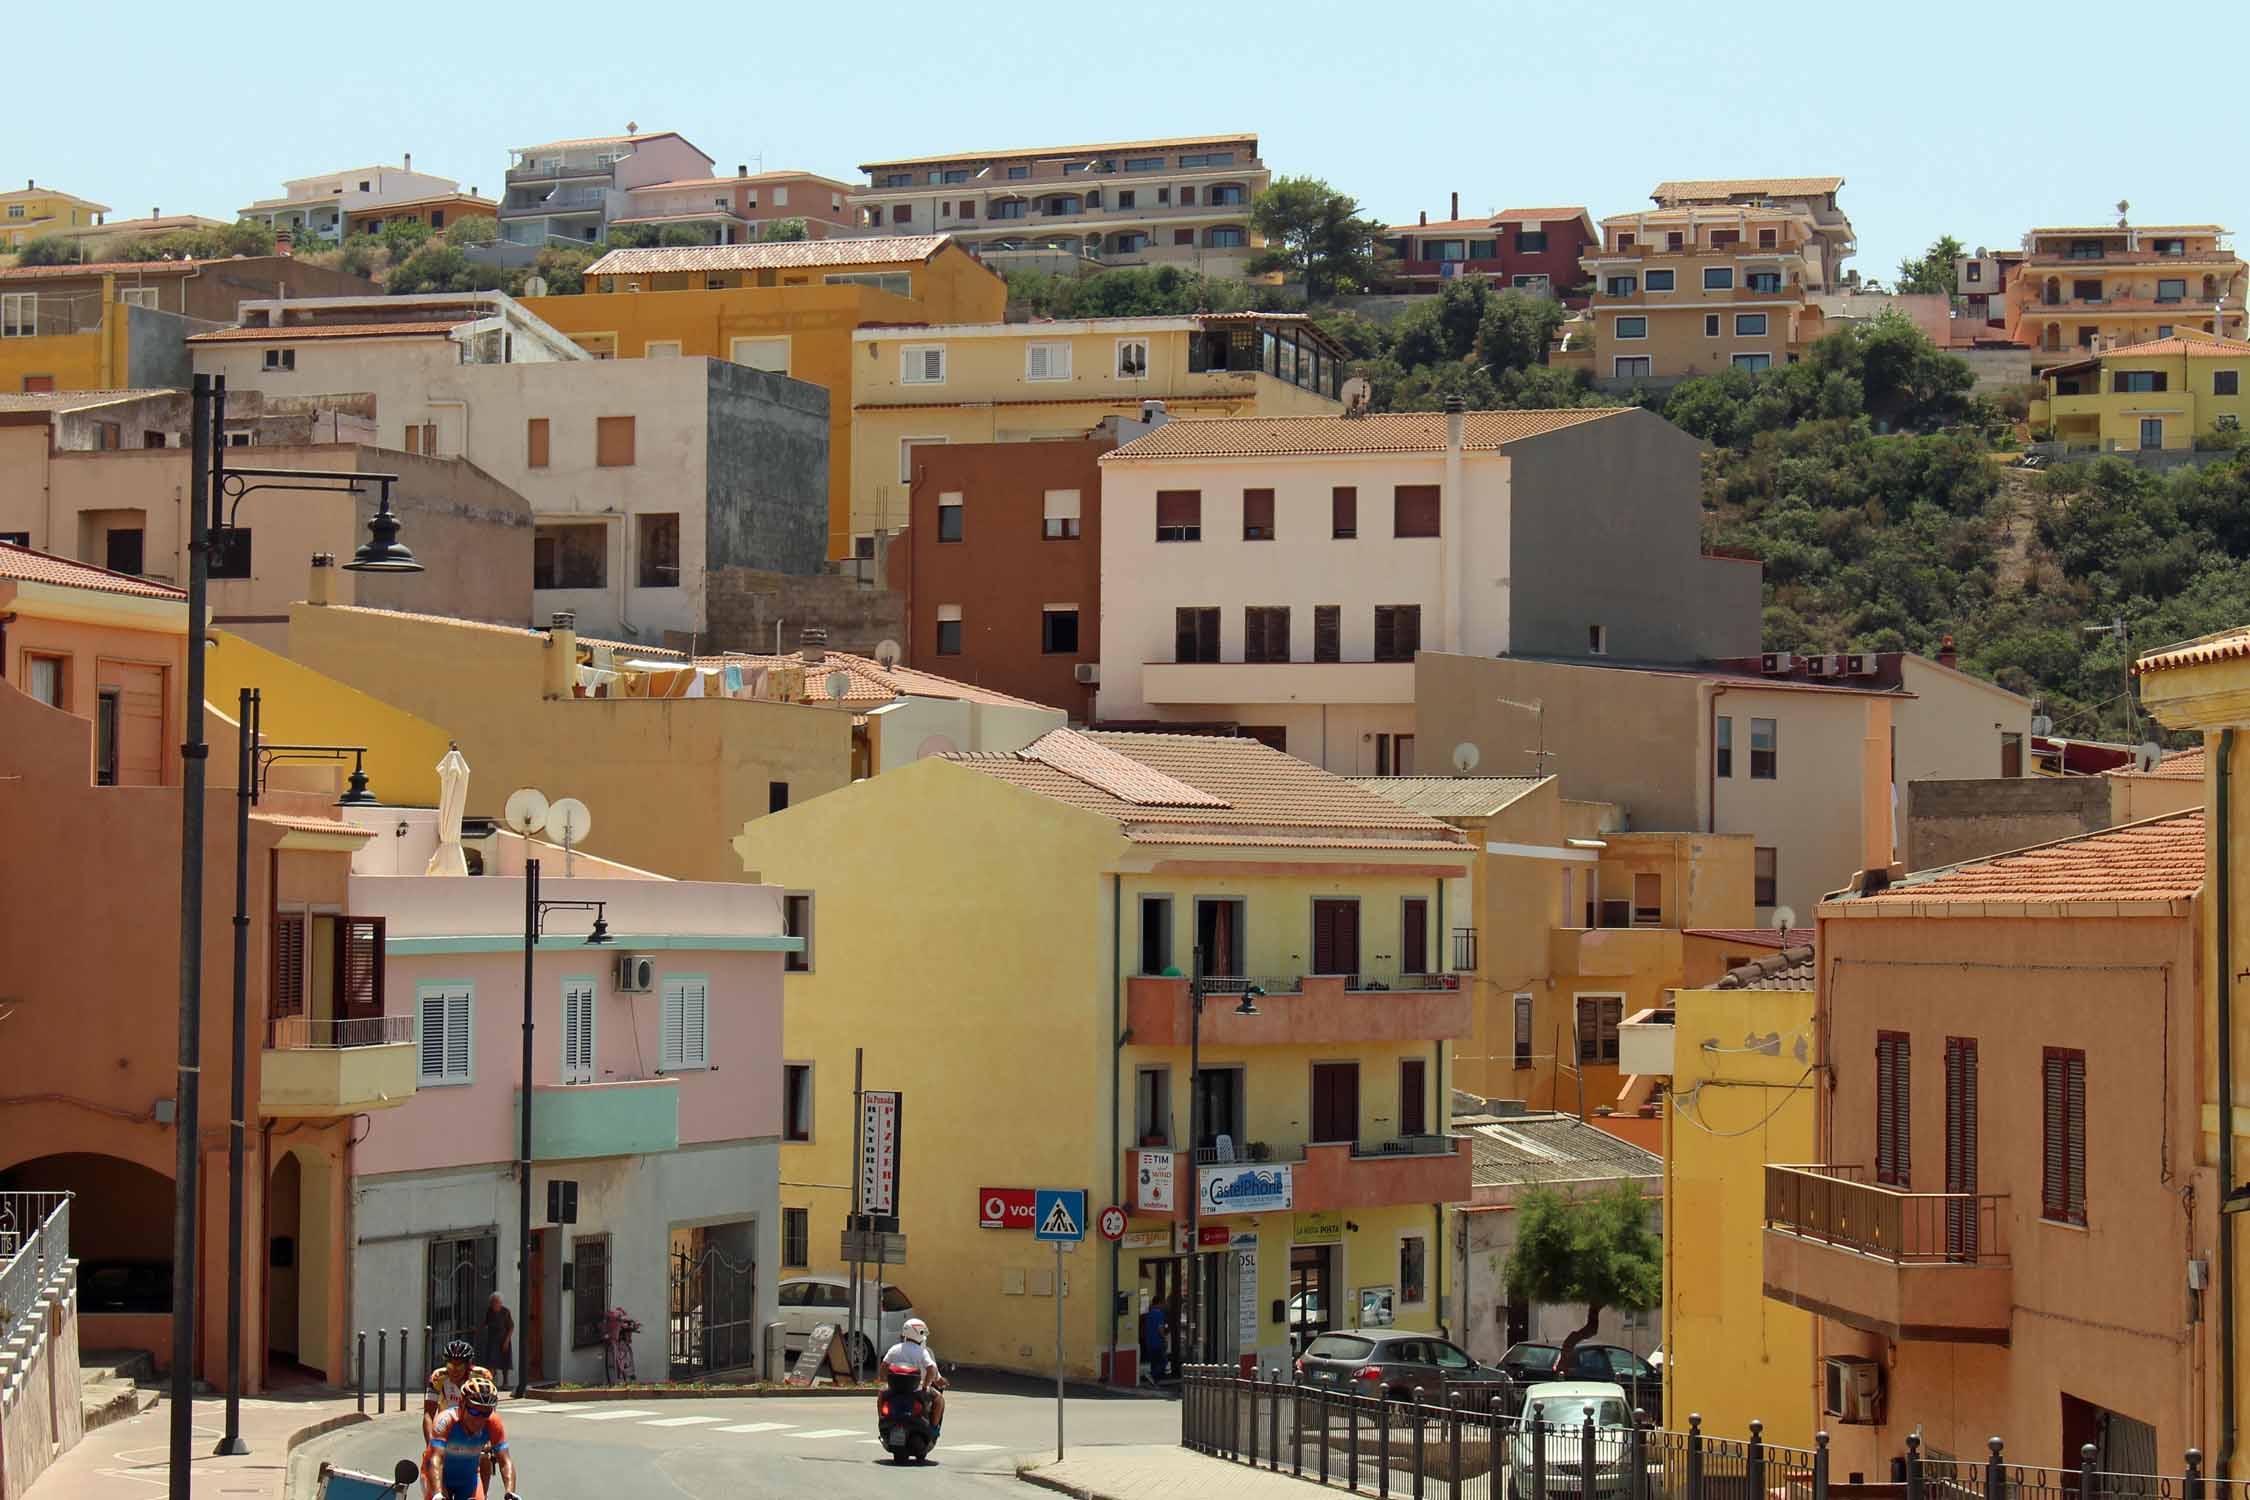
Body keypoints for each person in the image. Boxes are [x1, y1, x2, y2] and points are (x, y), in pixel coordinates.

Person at [424, 1376, 516, 1500]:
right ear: (462, 1405)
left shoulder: (493, 1422)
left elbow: (505, 1461)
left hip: (468, 1481)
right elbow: (435, 1459)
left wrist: (510, 1493)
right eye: (474, 1412)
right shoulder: (445, 1420)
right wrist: (437, 1494)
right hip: (438, 1477)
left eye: (485, 1413)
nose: (479, 1419)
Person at [880, 1317, 946, 1431]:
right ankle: (934, 1428)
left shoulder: (894, 1349)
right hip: (916, 1389)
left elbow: (883, 1367)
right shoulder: (921, 1351)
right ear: (919, 1333)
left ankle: (881, 1418)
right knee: (939, 1399)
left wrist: (886, 1381)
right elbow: (931, 1369)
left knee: (881, 1394)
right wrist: (925, 1385)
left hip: (895, 1388)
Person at [424, 1340, 493, 1447]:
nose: (454, 1371)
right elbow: (428, 1414)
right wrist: (430, 1444)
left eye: (459, 1367)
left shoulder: (482, 1376)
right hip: (446, 1423)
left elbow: (488, 1412)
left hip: (474, 1422)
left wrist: (488, 1441)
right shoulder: (437, 1378)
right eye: (450, 1366)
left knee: (484, 1456)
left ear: (468, 1366)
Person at [477, 1294, 514, 1389]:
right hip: (493, 1340)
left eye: (496, 1302)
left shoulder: (505, 1312)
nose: (494, 1304)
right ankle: (490, 1382)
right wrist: (478, 1329)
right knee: (491, 1362)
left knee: (504, 1362)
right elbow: (486, 1322)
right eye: (492, 1302)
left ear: (500, 1303)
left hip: (503, 1339)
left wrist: (506, 1341)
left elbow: (511, 1327)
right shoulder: (490, 1311)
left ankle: (505, 1383)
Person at [1139, 1298, 1168, 1383]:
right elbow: (1160, 1329)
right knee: (1163, 1362)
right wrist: (1164, 1339)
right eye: (1163, 1304)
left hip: (1149, 1342)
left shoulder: (1148, 1314)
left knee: (1154, 1363)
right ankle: (1151, 1375)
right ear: (1159, 1303)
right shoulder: (1159, 1314)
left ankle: (1154, 1381)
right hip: (1157, 1342)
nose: (1163, 1306)